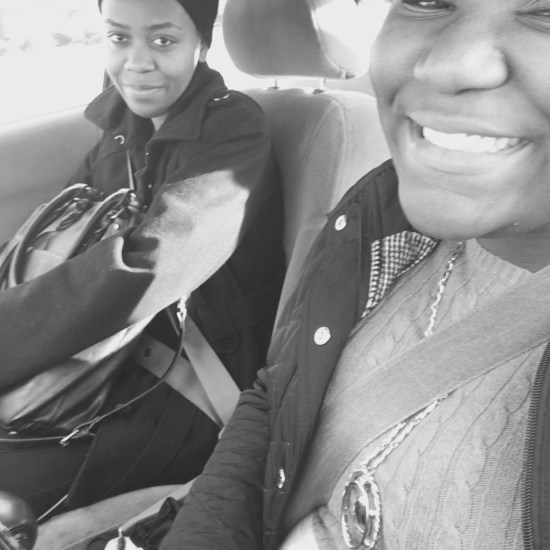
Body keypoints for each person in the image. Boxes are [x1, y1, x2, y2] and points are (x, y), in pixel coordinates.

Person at [158, 0, 550, 549]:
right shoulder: (378, 221)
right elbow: (279, 394)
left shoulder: (236, 129)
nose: (447, 65)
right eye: (427, 0)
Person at [0, 0, 284, 520]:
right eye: (117, 37)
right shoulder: (120, 131)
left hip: (174, 390)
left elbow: (148, 268)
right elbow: (59, 240)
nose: (135, 62)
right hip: (94, 366)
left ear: (202, 44)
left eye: (162, 41)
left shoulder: (234, 130)